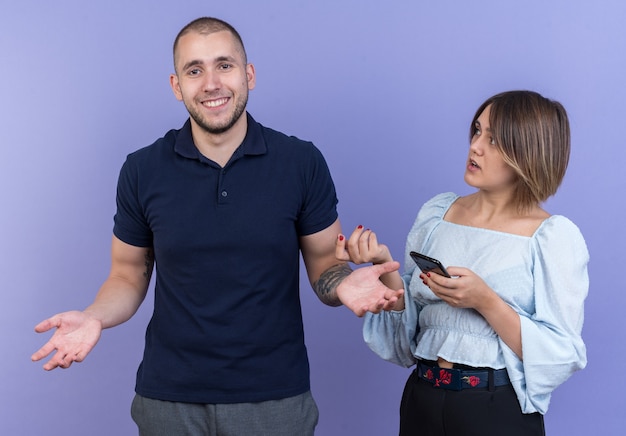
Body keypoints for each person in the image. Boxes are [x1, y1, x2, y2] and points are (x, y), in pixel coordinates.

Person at [31, 17, 401, 436]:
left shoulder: (300, 163)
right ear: (177, 86)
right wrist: (94, 316)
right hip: (168, 398)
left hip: (274, 397)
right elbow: (128, 273)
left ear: (249, 75)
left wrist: (342, 284)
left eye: (224, 65)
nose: (211, 83)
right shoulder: (142, 169)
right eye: (195, 70)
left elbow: (324, 265)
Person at [336, 90, 589, 436]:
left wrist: (485, 301)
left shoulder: (551, 237)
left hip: (495, 410)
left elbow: (562, 354)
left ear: (529, 152)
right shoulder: (438, 214)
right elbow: (407, 341)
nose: (476, 146)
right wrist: (386, 269)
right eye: (477, 130)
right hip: (422, 398)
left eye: (496, 140)